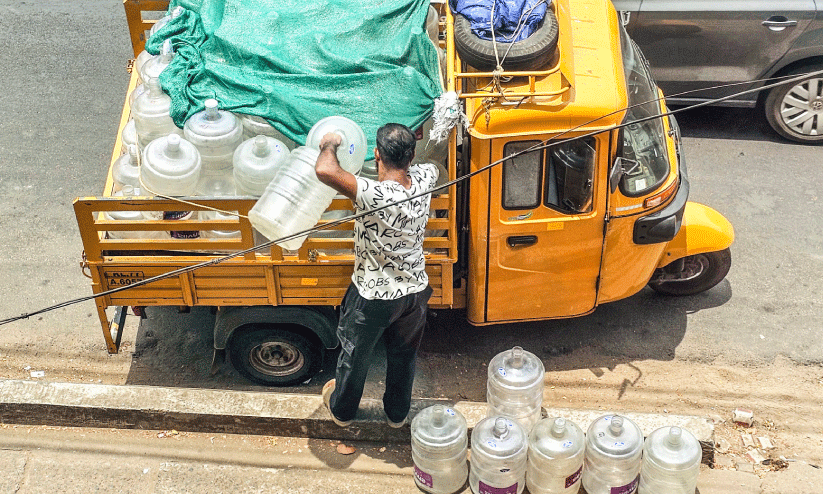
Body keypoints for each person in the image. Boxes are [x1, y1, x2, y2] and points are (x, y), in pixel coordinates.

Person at [314, 122, 438, 427]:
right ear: (411, 157)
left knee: (355, 356)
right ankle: (397, 415)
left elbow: (325, 170)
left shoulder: (373, 193)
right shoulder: (426, 178)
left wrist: (330, 142)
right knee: (403, 356)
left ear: (376, 154)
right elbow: (433, 164)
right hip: (415, 294)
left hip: (373, 297)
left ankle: (342, 411)